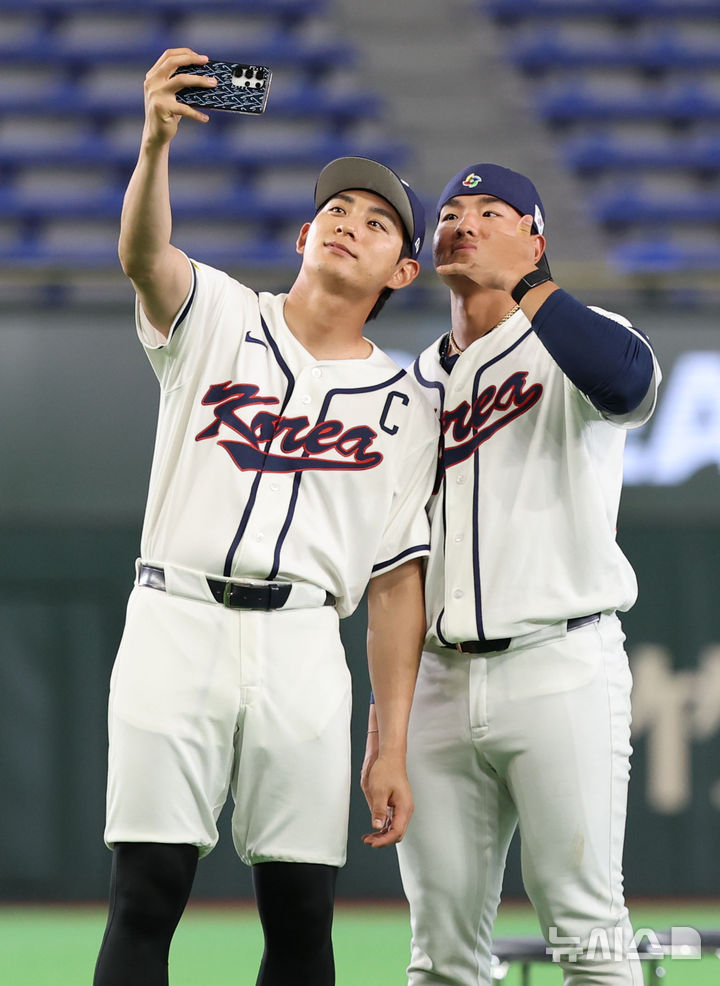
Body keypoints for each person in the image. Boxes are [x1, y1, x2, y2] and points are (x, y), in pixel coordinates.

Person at [93, 48, 439, 986]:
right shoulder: (218, 316)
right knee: (147, 892)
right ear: (300, 234)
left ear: (403, 271)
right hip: (179, 616)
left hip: (302, 641)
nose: (348, 225)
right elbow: (142, 256)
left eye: (376, 223)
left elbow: (398, 580)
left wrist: (389, 743)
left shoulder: (410, 404)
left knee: (301, 917)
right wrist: (157, 143)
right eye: (335, 210)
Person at [363, 162, 661, 985]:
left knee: (589, 933)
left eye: (493, 212)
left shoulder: (578, 336)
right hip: (438, 687)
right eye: (453, 212)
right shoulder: (409, 385)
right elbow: (397, 567)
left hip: (558, 663)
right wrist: (387, 721)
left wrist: (532, 286)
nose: (465, 221)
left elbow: (631, 387)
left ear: (535, 238)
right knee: (442, 953)